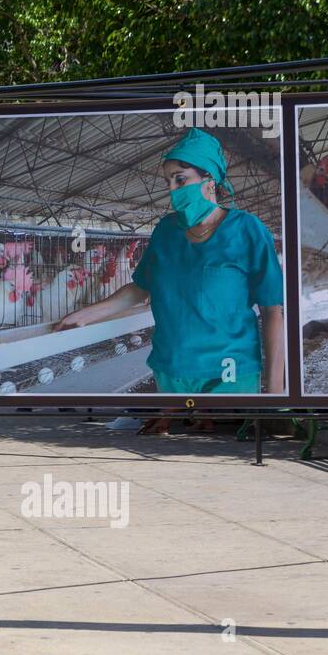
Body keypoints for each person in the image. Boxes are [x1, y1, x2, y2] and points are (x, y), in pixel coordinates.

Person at [54, 127, 285, 433]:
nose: (173, 189)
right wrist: (88, 313)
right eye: (168, 182)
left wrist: (276, 389)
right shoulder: (166, 231)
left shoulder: (248, 230)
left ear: (209, 181)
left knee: (225, 458)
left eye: (181, 179)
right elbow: (140, 287)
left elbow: (273, 310)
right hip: (172, 371)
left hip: (230, 373)